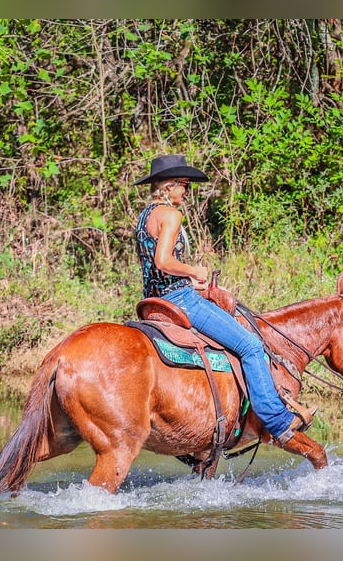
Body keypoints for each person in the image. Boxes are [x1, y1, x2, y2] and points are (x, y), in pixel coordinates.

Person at [133, 154, 316, 445]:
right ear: (169, 186)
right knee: (251, 346)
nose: (187, 192)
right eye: (184, 185)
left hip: (154, 298)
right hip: (179, 299)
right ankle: (278, 421)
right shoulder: (170, 215)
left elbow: (155, 267)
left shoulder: (145, 216)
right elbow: (164, 260)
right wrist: (194, 270)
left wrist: (189, 279)